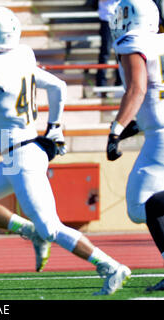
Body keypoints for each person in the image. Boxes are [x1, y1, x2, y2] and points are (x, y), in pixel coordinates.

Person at [0, 6, 131, 295]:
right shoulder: (22, 58)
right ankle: (31, 233)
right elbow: (58, 86)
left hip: (23, 157)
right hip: (18, 155)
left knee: (52, 229)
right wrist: (55, 128)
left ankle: (111, 266)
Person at [106, 0, 164, 291]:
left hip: (160, 137)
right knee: (148, 205)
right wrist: (133, 128)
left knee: (143, 205)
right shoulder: (159, 42)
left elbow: (138, 88)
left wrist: (116, 130)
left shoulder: (133, 40)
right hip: (157, 131)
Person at [96, 0, 122, 89]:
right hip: (107, 18)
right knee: (105, 52)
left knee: (120, 52)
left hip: (120, 19)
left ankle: (120, 82)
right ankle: (101, 84)